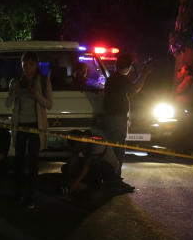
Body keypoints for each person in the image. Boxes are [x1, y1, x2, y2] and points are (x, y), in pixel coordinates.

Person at [6, 52, 53, 208]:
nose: (27, 68)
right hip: (20, 126)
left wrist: (37, 95)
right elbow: (7, 104)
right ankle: (17, 193)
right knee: (18, 161)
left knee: (33, 162)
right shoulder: (16, 81)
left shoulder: (44, 80)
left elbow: (49, 104)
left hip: (35, 126)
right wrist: (14, 92)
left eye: (31, 64)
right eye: (24, 65)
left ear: (36, 65)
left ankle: (30, 197)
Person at [103, 53, 151, 182]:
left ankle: (110, 176)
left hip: (110, 118)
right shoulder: (120, 79)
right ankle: (115, 177)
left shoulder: (112, 78)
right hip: (118, 118)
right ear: (128, 67)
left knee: (112, 148)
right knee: (118, 148)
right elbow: (134, 89)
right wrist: (144, 74)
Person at [62, 130, 131, 201]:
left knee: (94, 162)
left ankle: (95, 187)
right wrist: (69, 178)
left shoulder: (97, 141)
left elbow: (88, 165)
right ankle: (84, 184)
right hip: (94, 167)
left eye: (78, 145)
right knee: (65, 167)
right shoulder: (81, 143)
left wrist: (76, 183)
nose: (79, 148)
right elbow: (74, 160)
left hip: (109, 170)